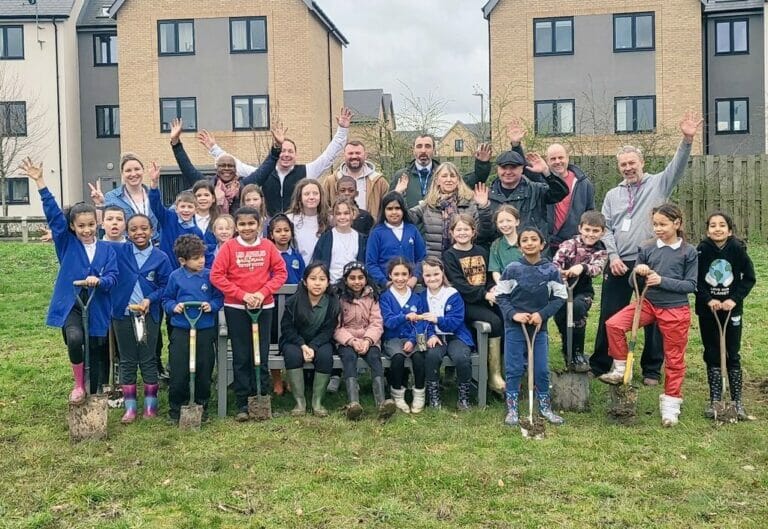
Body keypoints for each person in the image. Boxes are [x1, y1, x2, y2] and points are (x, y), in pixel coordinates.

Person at [591, 111, 702, 383]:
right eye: (623, 165)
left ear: (642, 162)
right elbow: (605, 229)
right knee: (611, 314)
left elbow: (677, 166)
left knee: (654, 315)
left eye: (632, 163)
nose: (628, 168)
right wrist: (613, 257)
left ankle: (651, 368)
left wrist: (686, 140)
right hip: (618, 264)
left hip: (651, 262)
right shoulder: (612, 195)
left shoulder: (659, 184)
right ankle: (604, 364)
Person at [21, 158, 118, 403]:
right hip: (71, 303)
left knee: (96, 347)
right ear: (72, 227)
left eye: (91, 225)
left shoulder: (107, 249)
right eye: (81, 226)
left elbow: (113, 276)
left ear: (97, 225)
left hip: (96, 303)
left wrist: (101, 280)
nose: (86, 230)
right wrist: (41, 183)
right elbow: (54, 216)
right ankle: (78, 385)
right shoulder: (66, 245)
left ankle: (95, 390)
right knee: (75, 339)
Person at [600, 204, 697, 427]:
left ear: (677, 224)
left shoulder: (688, 252)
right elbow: (632, 283)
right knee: (613, 325)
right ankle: (623, 368)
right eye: (655, 224)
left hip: (675, 309)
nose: (658, 229)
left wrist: (662, 281)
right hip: (647, 303)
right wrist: (637, 272)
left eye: (663, 224)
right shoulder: (646, 248)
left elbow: (691, 285)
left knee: (674, 358)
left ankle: (671, 406)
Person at [210, 207, 288, 422]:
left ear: (259, 224)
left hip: (263, 308)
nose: (247, 228)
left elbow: (281, 272)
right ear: (236, 226)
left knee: (260, 355)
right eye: (242, 224)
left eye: (251, 224)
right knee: (242, 356)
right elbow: (217, 276)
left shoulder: (267, 246)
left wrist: (262, 293)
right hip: (236, 308)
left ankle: (262, 396)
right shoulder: (229, 248)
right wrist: (242, 295)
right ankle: (243, 402)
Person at [205, 108, 353, 216]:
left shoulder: (307, 171)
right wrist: (214, 148)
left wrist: (342, 130)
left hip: (297, 225)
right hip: (270, 227)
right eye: (282, 151)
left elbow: (329, 156)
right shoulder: (264, 173)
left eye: (290, 151)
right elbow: (236, 165)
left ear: (296, 154)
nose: (286, 154)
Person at [496, 226, 567, 427]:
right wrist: (514, 314)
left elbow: (560, 297)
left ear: (542, 244)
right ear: (519, 246)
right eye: (524, 240)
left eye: (533, 239)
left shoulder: (551, 270)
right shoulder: (512, 269)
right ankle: (512, 408)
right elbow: (501, 296)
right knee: (514, 367)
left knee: (542, 369)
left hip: (538, 327)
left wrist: (541, 315)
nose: (529, 243)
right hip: (514, 327)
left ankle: (545, 407)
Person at [110, 213, 172, 424]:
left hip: (149, 315)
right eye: (134, 229)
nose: (139, 233)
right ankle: (130, 408)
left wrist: (150, 299)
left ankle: (150, 405)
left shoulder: (161, 257)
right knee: (127, 359)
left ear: (152, 231)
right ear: (127, 232)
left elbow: (166, 286)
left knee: (148, 358)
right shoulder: (119, 251)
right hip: (123, 314)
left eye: (144, 228)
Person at [696, 211, 756, 421]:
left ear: (730, 230)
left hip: (732, 309)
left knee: (732, 351)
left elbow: (749, 278)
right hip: (708, 310)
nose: (717, 229)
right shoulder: (702, 250)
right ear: (707, 230)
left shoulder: (737, 249)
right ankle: (715, 398)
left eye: (722, 225)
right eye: (713, 225)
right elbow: (696, 280)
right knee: (712, 351)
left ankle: (736, 400)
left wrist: (734, 299)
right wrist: (707, 299)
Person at [506, 118, 595, 253]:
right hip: (546, 244)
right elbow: (522, 167)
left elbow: (590, 213)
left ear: (567, 158)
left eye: (560, 157)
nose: (557, 162)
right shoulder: (540, 178)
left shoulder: (583, 183)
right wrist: (516, 144)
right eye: (553, 159)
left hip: (574, 244)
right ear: (547, 161)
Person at [163, 235, 224, 424]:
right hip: (182, 328)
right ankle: (177, 407)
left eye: (202, 256)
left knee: (204, 367)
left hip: (204, 328)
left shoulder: (209, 275)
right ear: (183, 261)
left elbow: (218, 297)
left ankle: (201, 404)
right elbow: (167, 300)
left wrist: (211, 306)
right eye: (196, 258)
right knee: (180, 369)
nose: (201, 261)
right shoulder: (175, 277)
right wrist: (175, 307)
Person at [442, 214, 505, 395]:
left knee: (504, 317)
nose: (462, 233)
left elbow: (488, 278)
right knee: (493, 322)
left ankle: (499, 368)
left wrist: (492, 289)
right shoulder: (450, 255)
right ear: (452, 233)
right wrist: (484, 295)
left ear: (473, 232)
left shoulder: (482, 251)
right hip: (464, 303)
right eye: (458, 230)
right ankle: (493, 376)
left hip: (485, 298)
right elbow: (459, 284)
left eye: (466, 229)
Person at [169, 118, 275, 215]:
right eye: (222, 166)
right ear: (216, 169)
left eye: (230, 166)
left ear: (236, 169)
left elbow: (264, 171)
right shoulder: (208, 185)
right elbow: (187, 168)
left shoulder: (244, 186)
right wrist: (176, 143)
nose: (226, 169)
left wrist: (277, 149)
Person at [333, 261, 396, 420]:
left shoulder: (372, 296)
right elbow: (336, 326)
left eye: (360, 277)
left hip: (368, 337)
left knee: (375, 358)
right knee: (349, 358)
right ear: (346, 280)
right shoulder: (339, 297)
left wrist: (368, 340)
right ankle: (354, 404)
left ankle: (381, 403)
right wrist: (352, 341)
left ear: (366, 279)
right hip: (346, 339)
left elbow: (376, 322)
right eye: (352, 278)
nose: (357, 281)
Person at [280, 262, 340, 417]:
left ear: (328, 283)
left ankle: (317, 402)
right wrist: (302, 345)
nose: (317, 283)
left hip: (320, 341)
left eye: (322, 279)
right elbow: (287, 328)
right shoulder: (294, 301)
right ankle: (299, 402)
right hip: (294, 341)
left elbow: (328, 331)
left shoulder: (332, 303)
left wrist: (312, 346)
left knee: (326, 356)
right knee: (293, 355)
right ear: (305, 282)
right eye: (313, 278)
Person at [551, 211, 608, 371]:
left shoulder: (601, 250)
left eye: (595, 231)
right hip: (562, 288)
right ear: (580, 228)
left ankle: (577, 352)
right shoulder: (569, 244)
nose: (590, 234)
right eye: (587, 229)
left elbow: (597, 269)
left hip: (583, 291)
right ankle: (567, 347)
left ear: (602, 232)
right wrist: (562, 274)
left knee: (577, 310)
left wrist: (581, 267)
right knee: (562, 319)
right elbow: (556, 262)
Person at [418, 256, 474, 411]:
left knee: (461, 357)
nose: (432, 278)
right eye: (428, 275)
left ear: (442, 273)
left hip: (455, 335)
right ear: (422, 277)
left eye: (436, 274)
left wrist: (437, 319)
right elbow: (422, 320)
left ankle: (463, 398)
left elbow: (456, 321)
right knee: (432, 357)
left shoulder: (453, 294)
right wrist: (431, 335)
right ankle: (434, 398)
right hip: (435, 337)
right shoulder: (422, 297)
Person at [409, 162, 493, 256]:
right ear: (437, 180)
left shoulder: (470, 203)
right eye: (444, 176)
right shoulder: (428, 205)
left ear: (458, 180)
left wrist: (483, 207)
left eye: (452, 176)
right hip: (436, 262)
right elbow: (405, 217)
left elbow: (484, 233)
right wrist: (398, 194)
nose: (449, 180)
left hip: (464, 259)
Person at [379, 257, 429, 414]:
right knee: (398, 358)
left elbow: (420, 322)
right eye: (396, 274)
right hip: (392, 338)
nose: (400, 278)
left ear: (409, 276)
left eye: (404, 274)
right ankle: (397, 393)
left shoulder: (416, 298)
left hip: (412, 337)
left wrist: (413, 340)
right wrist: (405, 316)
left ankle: (419, 394)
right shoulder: (385, 297)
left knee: (420, 357)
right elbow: (388, 322)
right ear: (390, 276)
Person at [391, 135, 492, 207]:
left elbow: (476, 179)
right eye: (419, 146)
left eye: (427, 146)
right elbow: (389, 205)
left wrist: (482, 164)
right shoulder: (401, 176)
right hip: (411, 233)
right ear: (412, 150)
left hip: (438, 232)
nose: (423, 150)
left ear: (434, 150)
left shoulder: (445, 175)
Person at [487, 149, 569, 238]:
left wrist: (546, 171)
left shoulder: (536, 190)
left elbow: (561, 192)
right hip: (501, 250)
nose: (508, 172)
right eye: (504, 168)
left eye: (513, 168)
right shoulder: (487, 195)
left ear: (522, 169)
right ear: (497, 169)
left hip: (535, 249)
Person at [148, 162, 215, 268]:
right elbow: (155, 204)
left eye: (189, 207)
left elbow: (204, 253)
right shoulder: (168, 218)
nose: (186, 210)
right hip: (165, 268)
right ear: (176, 208)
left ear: (196, 209)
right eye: (182, 207)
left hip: (186, 273)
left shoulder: (196, 231)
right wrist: (154, 183)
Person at [365, 191, 427, 288]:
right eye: (389, 209)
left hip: (410, 286)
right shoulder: (376, 233)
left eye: (397, 208)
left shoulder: (412, 230)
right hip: (385, 288)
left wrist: (414, 278)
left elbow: (422, 258)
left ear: (403, 210)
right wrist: (385, 282)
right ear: (383, 211)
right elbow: (371, 263)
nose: (394, 212)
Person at [320, 140, 389, 222]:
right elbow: (323, 208)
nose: (354, 156)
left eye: (358, 153)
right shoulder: (331, 181)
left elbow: (387, 209)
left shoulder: (379, 182)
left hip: (369, 231)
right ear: (344, 156)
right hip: (339, 230)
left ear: (365, 155)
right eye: (350, 153)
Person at [100, 153, 160, 243]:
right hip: (127, 248)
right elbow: (105, 225)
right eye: (128, 170)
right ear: (122, 173)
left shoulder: (153, 194)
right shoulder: (112, 197)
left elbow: (160, 222)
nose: (133, 174)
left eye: (137, 169)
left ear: (143, 170)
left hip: (154, 246)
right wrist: (99, 204)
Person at [312, 197, 366, 283]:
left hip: (353, 287)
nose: (342, 217)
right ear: (333, 215)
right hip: (331, 287)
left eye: (346, 213)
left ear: (354, 214)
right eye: (338, 214)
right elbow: (317, 263)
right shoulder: (325, 238)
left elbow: (365, 265)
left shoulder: (361, 239)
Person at [286, 179, 330, 267]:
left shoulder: (329, 219)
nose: (311, 197)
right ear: (300, 197)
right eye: (306, 194)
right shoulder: (289, 219)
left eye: (315, 193)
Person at [268, 214, 306, 285]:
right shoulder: (268, 257)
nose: (283, 234)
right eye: (278, 231)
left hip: (295, 294)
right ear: (271, 235)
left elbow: (303, 277)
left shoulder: (297, 256)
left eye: (286, 230)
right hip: (274, 294)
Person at [488, 205, 522, 283]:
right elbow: (495, 271)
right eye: (501, 222)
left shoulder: (526, 242)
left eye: (509, 220)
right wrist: (502, 286)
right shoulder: (496, 245)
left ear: (517, 222)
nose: (505, 224)